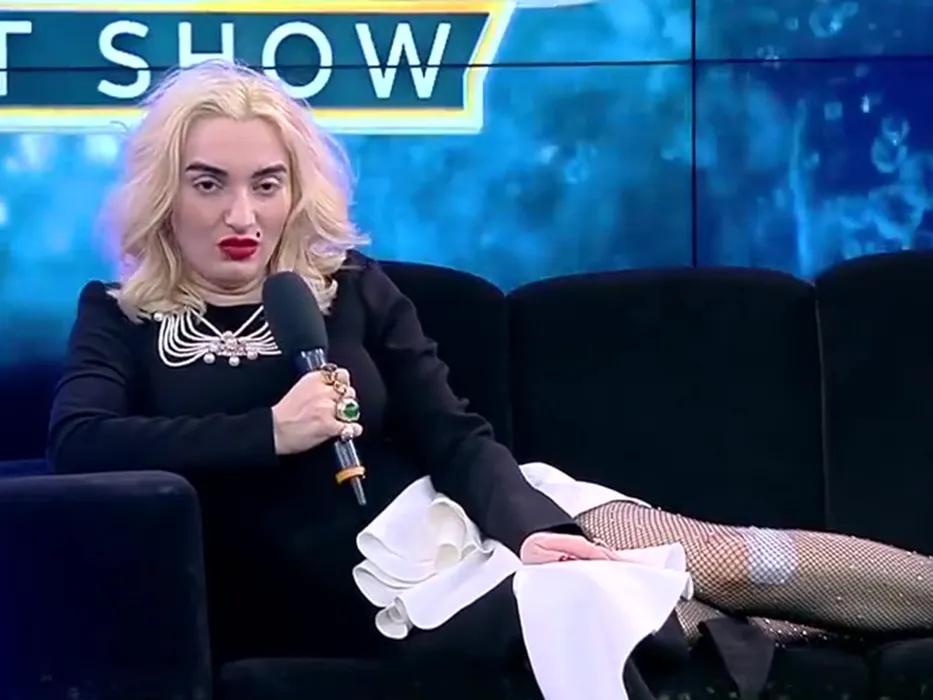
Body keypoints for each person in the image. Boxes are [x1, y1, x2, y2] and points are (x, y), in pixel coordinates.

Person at [48, 59, 933, 698]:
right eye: (208, 184)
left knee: (722, 560)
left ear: (295, 192)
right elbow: (80, 443)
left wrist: (527, 526)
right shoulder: (122, 317)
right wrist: (268, 432)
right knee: (653, 611)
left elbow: (452, 431)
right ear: (165, 193)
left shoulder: (349, 289)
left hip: (474, 511)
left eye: (266, 185)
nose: (241, 214)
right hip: (380, 588)